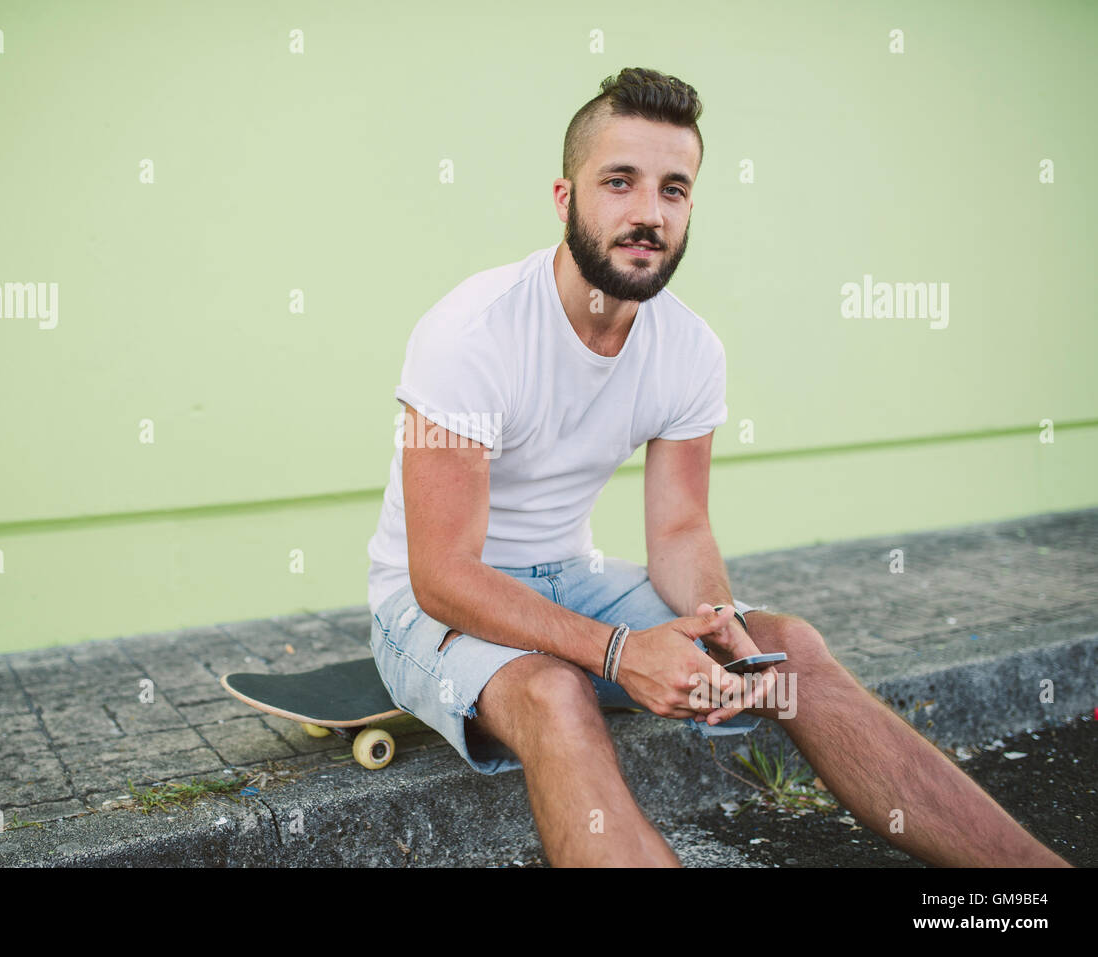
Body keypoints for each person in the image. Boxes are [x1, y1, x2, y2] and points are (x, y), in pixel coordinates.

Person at [364, 67, 1069, 868]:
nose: (647, 214)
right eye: (619, 183)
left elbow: (679, 528)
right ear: (565, 199)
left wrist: (722, 627)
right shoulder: (473, 333)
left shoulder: (689, 347)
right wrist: (620, 653)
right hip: (431, 606)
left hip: (570, 574)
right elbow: (442, 574)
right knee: (553, 692)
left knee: (788, 645)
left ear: (690, 206)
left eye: (673, 189)